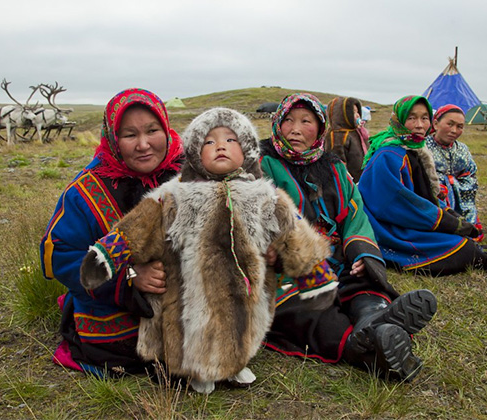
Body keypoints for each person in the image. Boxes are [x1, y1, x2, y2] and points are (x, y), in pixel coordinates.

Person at [79, 107, 335, 393]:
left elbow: (294, 235)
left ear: (249, 149)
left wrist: (316, 276)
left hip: (245, 290)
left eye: (231, 140)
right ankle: (198, 371)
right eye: (209, 142)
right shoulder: (175, 195)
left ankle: (235, 364)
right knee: (195, 323)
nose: (220, 146)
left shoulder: (266, 196)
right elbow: (139, 227)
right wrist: (106, 257)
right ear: (194, 152)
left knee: (244, 323)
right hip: (191, 289)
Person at [259, 92, 438, 382]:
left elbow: (354, 211)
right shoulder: (262, 164)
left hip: (338, 259)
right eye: (288, 120)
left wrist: (362, 253)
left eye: (306, 121)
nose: (294, 129)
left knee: (364, 278)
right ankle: (364, 344)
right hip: (290, 265)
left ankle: (372, 320)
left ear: (320, 127)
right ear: (277, 123)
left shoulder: (334, 167)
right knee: (307, 303)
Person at [40, 88, 183, 376]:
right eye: (129, 135)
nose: (143, 144)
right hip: (115, 307)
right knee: (129, 349)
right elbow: (60, 257)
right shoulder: (84, 192)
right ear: (113, 140)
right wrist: (129, 278)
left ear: (166, 130)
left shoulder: (189, 174)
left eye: (152, 130)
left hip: (181, 298)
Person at [359, 95, 487, 276]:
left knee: (463, 241)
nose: (419, 125)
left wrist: (450, 214)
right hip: (389, 227)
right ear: (398, 119)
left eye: (424, 118)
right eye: (411, 118)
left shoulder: (412, 148)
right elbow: (398, 203)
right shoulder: (389, 155)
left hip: (409, 219)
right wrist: (447, 222)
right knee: (463, 248)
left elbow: (423, 194)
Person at [426, 104, 483, 241]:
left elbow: (470, 175)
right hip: (433, 198)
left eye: (460, 126)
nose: (454, 130)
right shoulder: (423, 147)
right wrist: (439, 186)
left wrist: (453, 184)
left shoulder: (463, 149)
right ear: (436, 123)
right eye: (450, 124)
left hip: (460, 197)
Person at [324, 96, 370, 181]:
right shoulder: (337, 135)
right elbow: (337, 159)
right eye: (353, 112)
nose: (357, 115)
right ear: (342, 114)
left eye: (358, 112)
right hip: (349, 182)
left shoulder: (359, 132)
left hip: (362, 178)